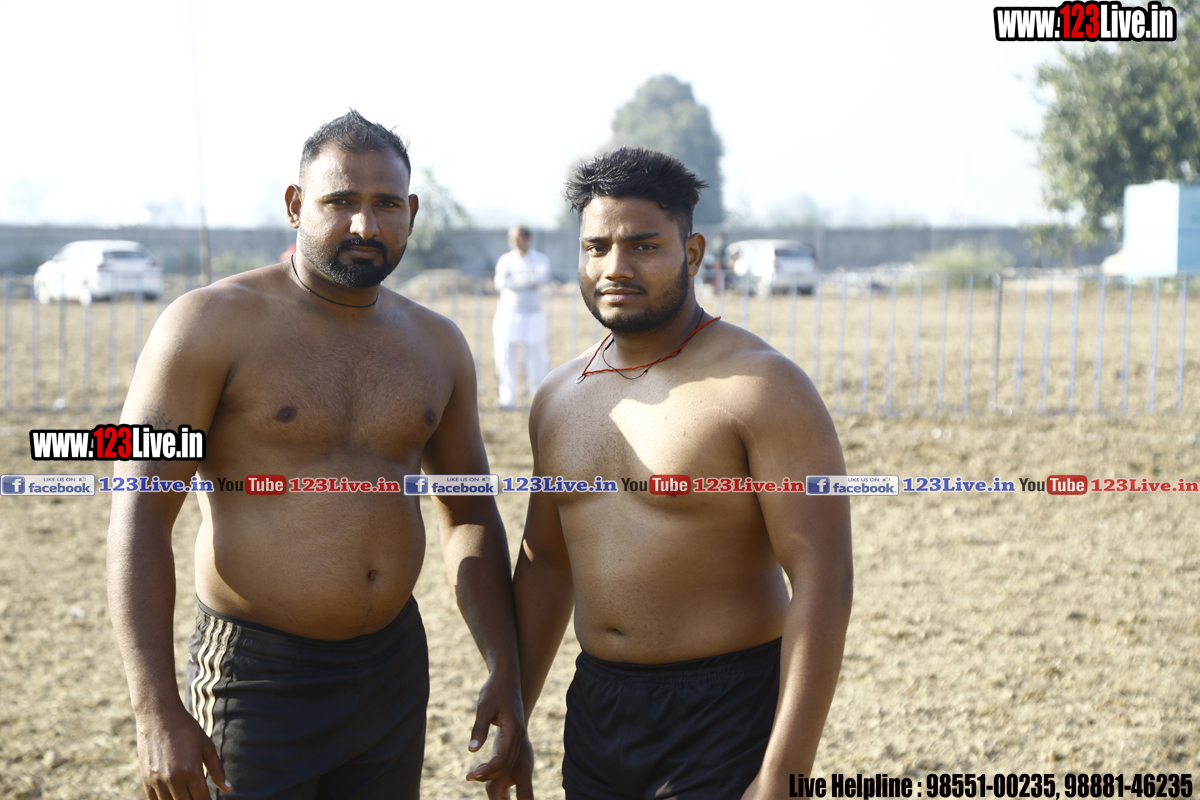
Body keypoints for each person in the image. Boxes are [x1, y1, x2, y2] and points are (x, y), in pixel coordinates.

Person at [107, 110, 527, 800]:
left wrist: (504, 669)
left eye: (386, 204)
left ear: (411, 212)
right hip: (257, 675)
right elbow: (139, 513)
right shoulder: (208, 324)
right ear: (296, 205)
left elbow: (470, 515)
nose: (365, 225)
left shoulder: (437, 344)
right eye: (340, 201)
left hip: (392, 669)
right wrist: (153, 708)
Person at [490, 148, 853, 800]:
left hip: (725, 710)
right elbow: (546, 564)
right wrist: (516, 708)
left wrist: (785, 773)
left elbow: (823, 578)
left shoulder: (761, 387)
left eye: (643, 246)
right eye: (596, 247)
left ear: (692, 252)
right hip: (598, 709)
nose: (615, 267)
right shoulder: (557, 397)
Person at [492, 226, 551, 409]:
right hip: (508, 314)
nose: (514, 241)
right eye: (511, 237)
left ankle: (537, 398)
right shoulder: (505, 260)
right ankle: (507, 400)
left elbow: (541, 278)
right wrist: (527, 280)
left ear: (527, 238)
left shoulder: (541, 259)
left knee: (536, 357)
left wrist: (514, 281)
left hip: (533, 315)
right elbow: (500, 283)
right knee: (506, 356)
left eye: (517, 237)